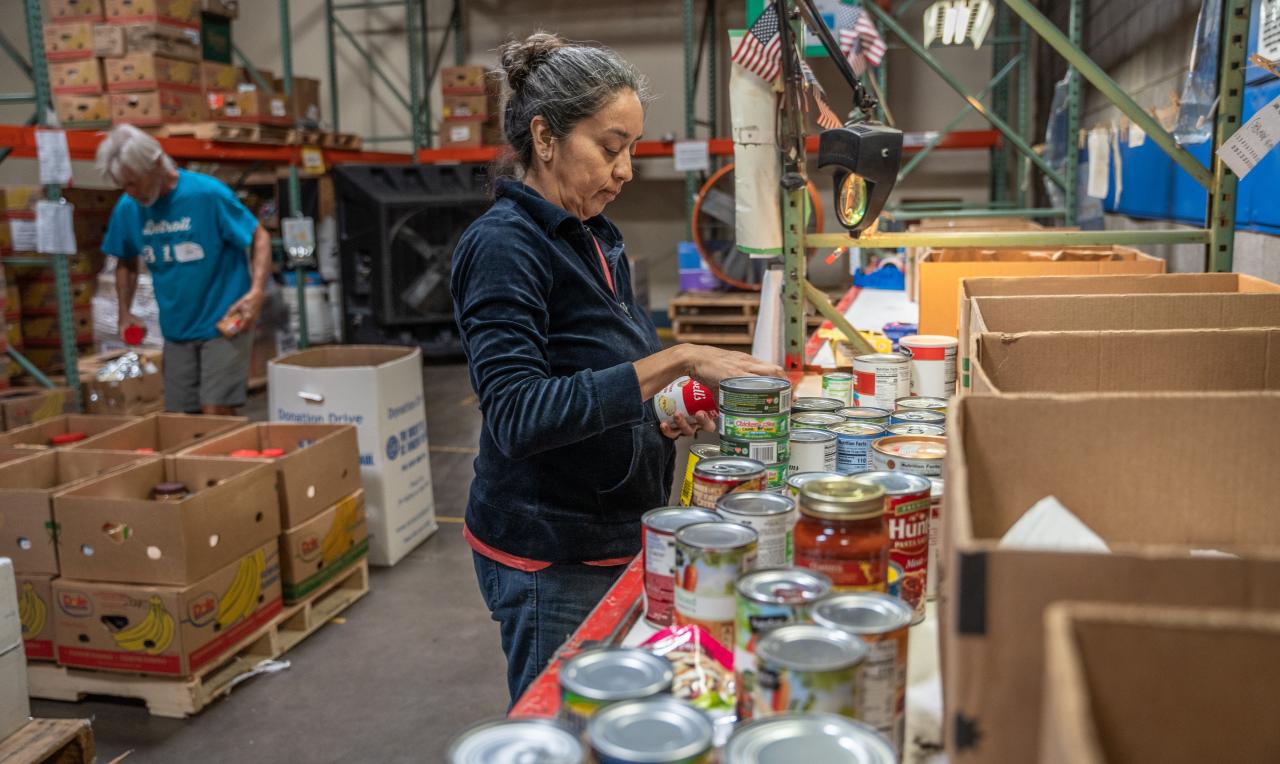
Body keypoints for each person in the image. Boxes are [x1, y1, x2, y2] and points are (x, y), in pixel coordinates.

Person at [451, 32, 786, 704]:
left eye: (630, 147)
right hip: (551, 553)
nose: (627, 168)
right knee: (567, 720)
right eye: (610, 147)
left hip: (614, 529)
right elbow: (519, 414)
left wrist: (664, 410)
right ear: (546, 139)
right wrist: (678, 358)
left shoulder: (594, 234)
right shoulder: (503, 247)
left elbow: (602, 370)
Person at [96, 124, 271, 415]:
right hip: (177, 329)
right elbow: (124, 260)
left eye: (133, 182)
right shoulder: (129, 207)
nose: (130, 192)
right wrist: (124, 312)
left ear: (154, 165)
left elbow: (259, 236)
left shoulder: (207, 195)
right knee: (181, 418)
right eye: (123, 185)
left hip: (224, 323)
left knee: (215, 411)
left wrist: (256, 291)